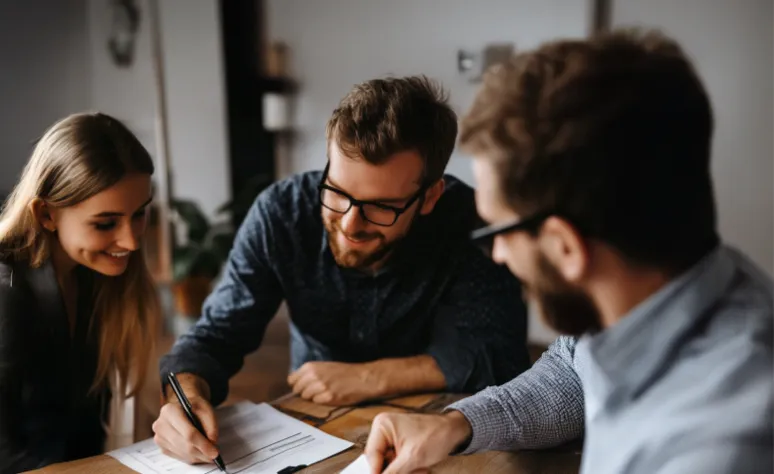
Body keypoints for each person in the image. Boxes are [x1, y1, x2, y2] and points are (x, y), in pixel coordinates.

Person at [364, 29, 773, 474]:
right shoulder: (671, 285)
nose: (498, 254)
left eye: (497, 230)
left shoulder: (718, 446)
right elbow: (572, 369)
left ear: (564, 245)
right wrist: (456, 423)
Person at [153, 76, 530, 465]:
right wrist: (185, 394)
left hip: (441, 423)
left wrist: (370, 377)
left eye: (382, 206)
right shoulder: (281, 213)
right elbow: (216, 335)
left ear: (430, 196)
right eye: (336, 191)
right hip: (312, 425)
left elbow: (498, 356)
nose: (350, 224)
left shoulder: (469, 222)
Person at [0, 112, 161, 472]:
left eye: (139, 214)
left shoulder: (99, 275)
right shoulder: (6, 292)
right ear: (45, 215)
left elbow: (88, 428)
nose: (132, 241)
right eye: (105, 223)